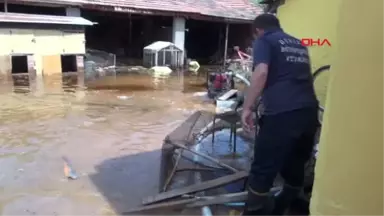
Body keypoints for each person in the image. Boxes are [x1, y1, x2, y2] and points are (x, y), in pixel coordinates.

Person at [241, 14, 319, 216]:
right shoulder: (298, 44)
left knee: (263, 166)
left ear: (258, 30)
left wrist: (247, 107)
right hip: (309, 112)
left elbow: (261, 73)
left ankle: (255, 211)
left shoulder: (265, 40)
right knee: (295, 162)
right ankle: (288, 205)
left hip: (283, 114)